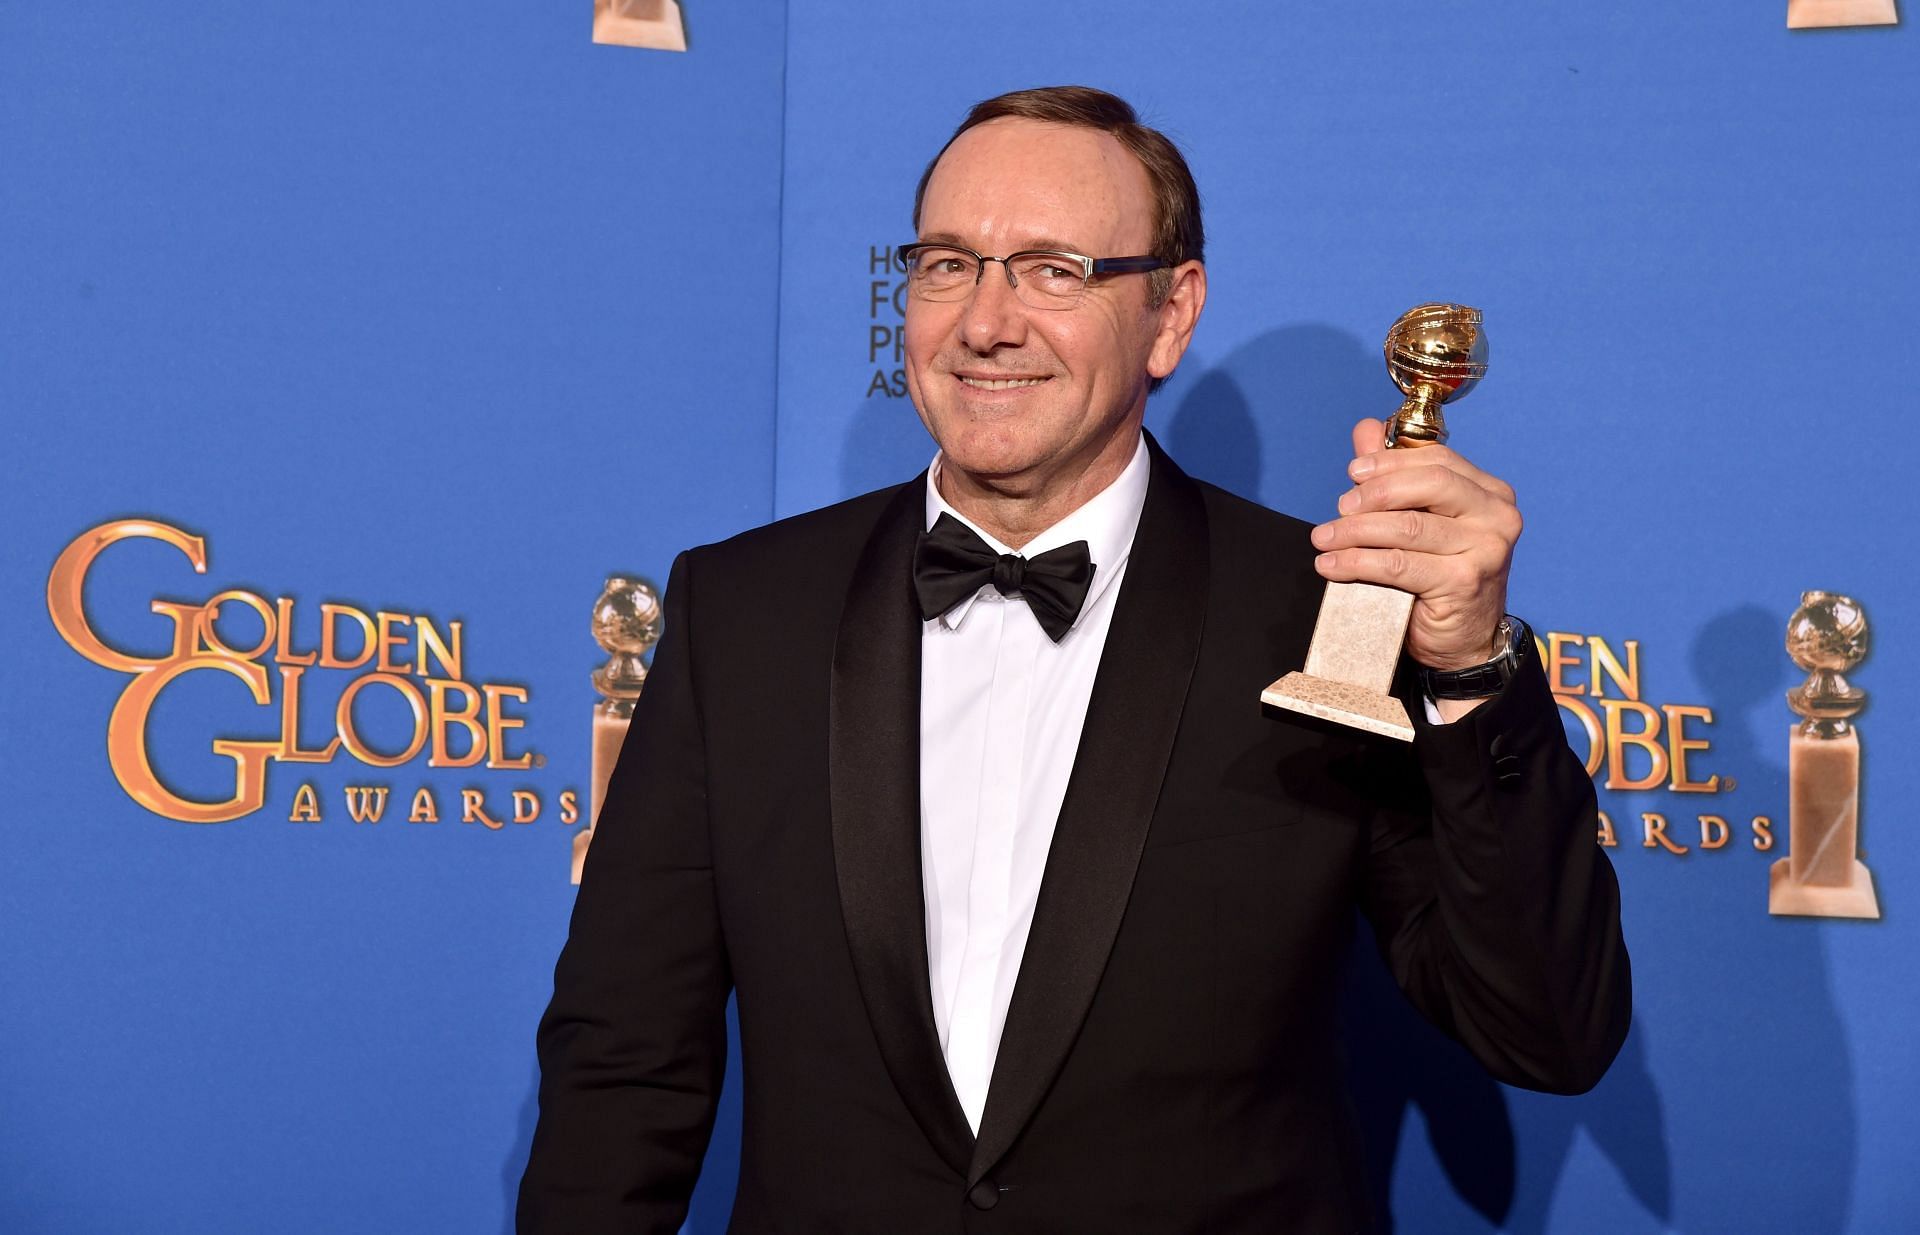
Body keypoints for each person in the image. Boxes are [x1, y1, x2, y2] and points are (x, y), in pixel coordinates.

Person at [518, 85, 1630, 1233]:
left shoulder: (1323, 620)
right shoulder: (745, 610)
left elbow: (1545, 1029)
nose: (986, 321)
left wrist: (1470, 670)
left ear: (1170, 312)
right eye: (949, 264)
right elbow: (624, 1059)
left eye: (1054, 270)